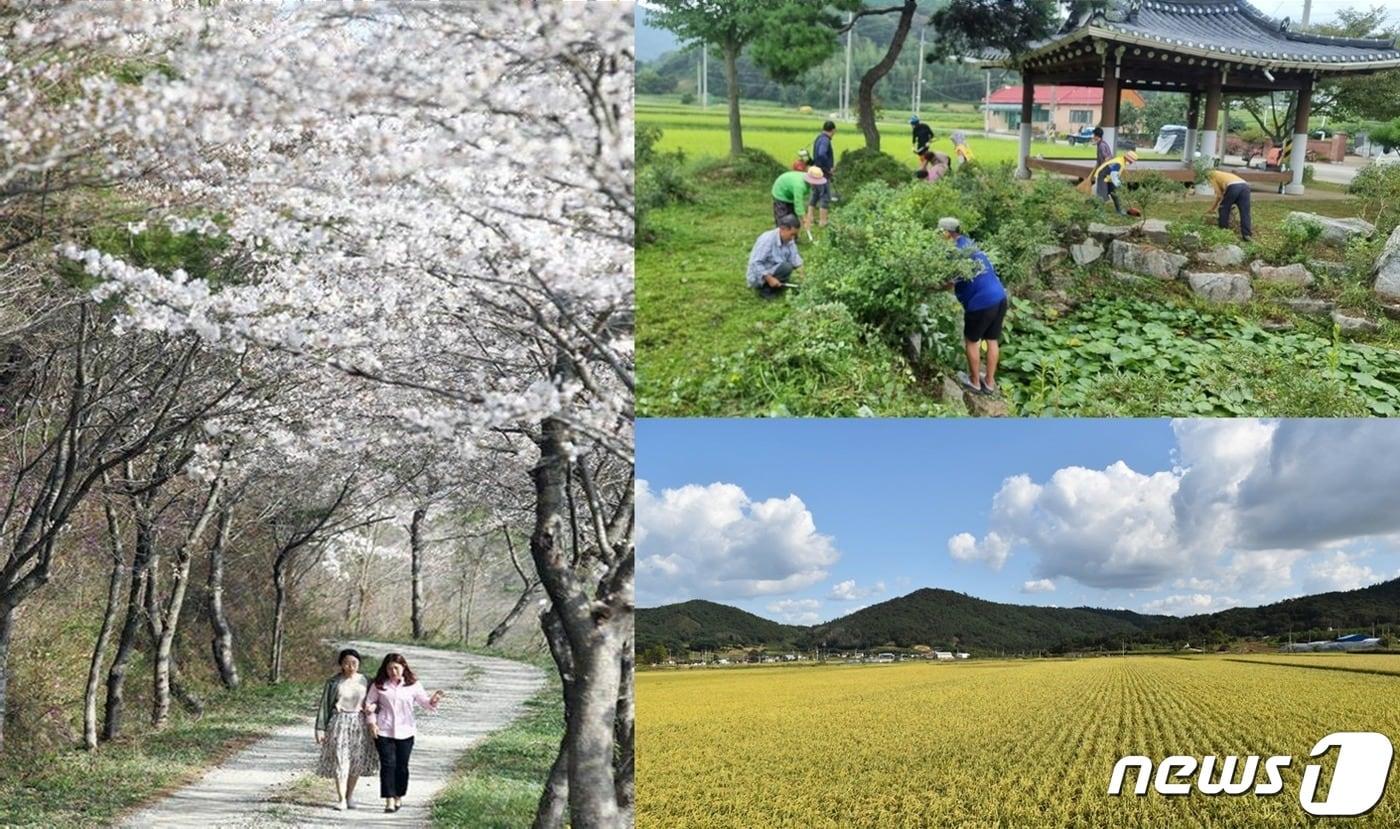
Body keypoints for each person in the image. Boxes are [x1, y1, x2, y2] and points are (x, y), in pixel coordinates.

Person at [364, 652, 445, 813]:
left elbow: (425, 703)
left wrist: (433, 701)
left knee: (402, 766)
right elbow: (369, 703)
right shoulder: (379, 685)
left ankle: (398, 796)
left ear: (404, 667)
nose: (393, 672)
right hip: (384, 730)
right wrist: (371, 723)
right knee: (387, 765)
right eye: (389, 669)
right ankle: (388, 800)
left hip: (406, 730)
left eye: (396, 668)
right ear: (385, 669)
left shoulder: (413, 685)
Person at [938, 217, 1008, 395]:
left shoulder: (954, 252)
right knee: (992, 340)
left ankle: (975, 382)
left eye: (939, 233)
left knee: (972, 341)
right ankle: (990, 383)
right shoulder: (969, 243)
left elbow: (948, 283)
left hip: (981, 302)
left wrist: (930, 288)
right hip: (1000, 297)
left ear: (946, 233)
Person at [315, 648, 378, 811]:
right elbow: (324, 707)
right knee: (340, 760)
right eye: (347, 664)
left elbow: (376, 701)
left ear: (359, 664)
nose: (351, 667)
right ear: (341, 665)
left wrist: (373, 712)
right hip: (339, 721)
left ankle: (350, 796)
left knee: (356, 761)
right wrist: (320, 728)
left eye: (354, 663)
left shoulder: (367, 681)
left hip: (360, 723)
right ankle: (341, 798)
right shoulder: (333, 682)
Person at [746, 214, 803, 299]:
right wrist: (769, 279)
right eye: (792, 234)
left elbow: (795, 258)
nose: (793, 238)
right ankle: (765, 289)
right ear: (783, 229)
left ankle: (777, 284)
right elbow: (755, 263)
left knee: (787, 266)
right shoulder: (767, 240)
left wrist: (802, 276)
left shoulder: (789, 240)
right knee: (786, 267)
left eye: (795, 235)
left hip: (775, 268)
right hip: (758, 277)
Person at [1083, 149, 1138, 215]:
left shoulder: (1122, 161)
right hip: (1102, 176)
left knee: (1115, 193)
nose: (1131, 163)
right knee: (1102, 196)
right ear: (1128, 159)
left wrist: (1119, 182)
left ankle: (1119, 211)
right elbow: (1113, 175)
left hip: (1109, 177)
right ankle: (1098, 212)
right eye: (1131, 161)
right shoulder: (1119, 163)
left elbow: (1115, 174)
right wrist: (1119, 185)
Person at [1206, 168, 1252, 241]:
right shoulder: (1222, 174)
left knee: (1223, 208)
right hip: (1245, 186)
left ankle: (1223, 232)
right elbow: (1224, 193)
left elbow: (1219, 195)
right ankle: (1247, 235)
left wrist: (1212, 208)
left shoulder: (1211, 176)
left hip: (1234, 187)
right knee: (1245, 212)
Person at [812, 120, 836, 201]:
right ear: (833, 130)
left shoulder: (819, 137)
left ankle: (810, 213)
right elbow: (821, 154)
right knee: (825, 196)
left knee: (815, 195)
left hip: (816, 169)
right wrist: (829, 167)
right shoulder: (825, 140)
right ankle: (823, 214)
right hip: (823, 171)